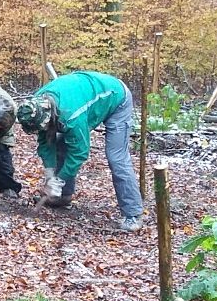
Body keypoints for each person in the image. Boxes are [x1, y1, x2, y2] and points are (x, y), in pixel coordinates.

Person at [18, 70, 143, 231]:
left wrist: (59, 179)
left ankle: (132, 214)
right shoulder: (36, 105)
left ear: (48, 114)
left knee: (116, 158)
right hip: (86, 96)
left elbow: (80, 153)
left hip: (116, 98)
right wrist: (50, 175)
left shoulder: (71, 115)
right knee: (60, 142)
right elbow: (45, 142)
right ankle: (63, 196)